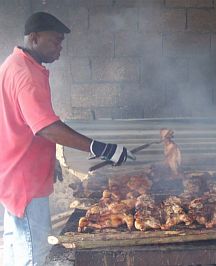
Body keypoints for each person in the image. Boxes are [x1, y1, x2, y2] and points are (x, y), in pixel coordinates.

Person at [0, 12, 133, 266]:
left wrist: (49, 157)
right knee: (34, 253)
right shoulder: (26, 75)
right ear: (34, 38)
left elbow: (23, 122)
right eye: (55, 41)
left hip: (12, 175)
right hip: (24, 182)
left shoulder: (13, 64)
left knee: (16, 247)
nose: (60, 48)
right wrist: (99, 147)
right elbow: (45, 127)